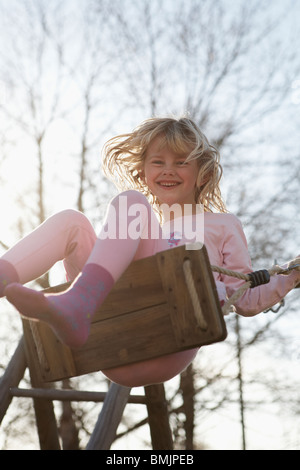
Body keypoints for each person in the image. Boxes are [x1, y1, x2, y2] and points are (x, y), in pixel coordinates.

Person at [1, 117, 299, 387]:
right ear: (143, 173)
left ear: (203, 175)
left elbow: (245, 297)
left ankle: (80, 303)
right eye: (158, 162)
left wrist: (291, 276)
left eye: (181, 162)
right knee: (72, 222)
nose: (168, 169)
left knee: (131, 203)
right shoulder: (136, 230)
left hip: (169, 336)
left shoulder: (221, 224)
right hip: (109, 338)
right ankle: (55, 295)